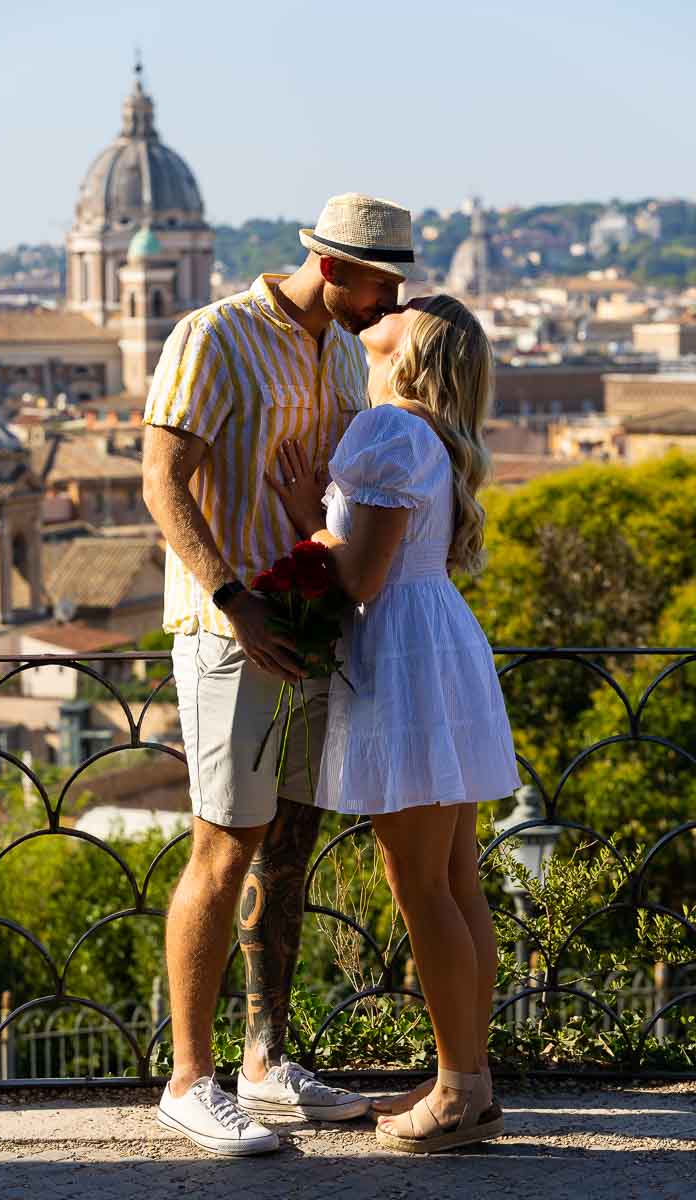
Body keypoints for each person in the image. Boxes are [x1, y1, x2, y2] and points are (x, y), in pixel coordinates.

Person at [142, 194, 415, 1155]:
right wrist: (233, 601)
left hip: (308, 632)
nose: (394, 301)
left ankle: (263, 1062)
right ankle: (189, 1079)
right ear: (335, 268)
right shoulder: (212, 336)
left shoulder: (342, 352)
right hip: (232, 633)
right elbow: (162, 479)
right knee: (222, 846)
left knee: (286, 846)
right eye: (384, 281)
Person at [267, 293, 521, 1155]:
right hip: (442, 643)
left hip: (405, 659)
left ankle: (460, 1095)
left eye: (407, 310)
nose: (390, 304)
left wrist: (308, 515)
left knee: (422, 888)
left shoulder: (386, 431)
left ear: (415, 350)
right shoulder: (435, 438)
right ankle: (468, 1074)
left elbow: (363, 578)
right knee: (457, 881)